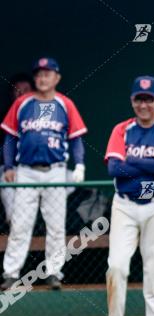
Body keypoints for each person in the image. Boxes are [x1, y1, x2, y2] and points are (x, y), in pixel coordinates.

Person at [1, 58, 87, 291]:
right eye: (39, 74)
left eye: (47, 74)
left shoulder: (65, 104)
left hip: (56, 171)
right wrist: (9, 166)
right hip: (26, 171)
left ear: (57, 78)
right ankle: (10, 273)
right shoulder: (22, 103)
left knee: (56, 225)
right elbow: (10, 138)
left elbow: (76, 138)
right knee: (20, 224)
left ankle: (54, 272)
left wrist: (79, 165)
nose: (42, 78)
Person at [104, 76, 154, 316]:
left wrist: (132, 161)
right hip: (125, 205)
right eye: (139, 99)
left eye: (149, 99)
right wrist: (150, 165)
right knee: (116, 267)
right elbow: (114, 169)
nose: (144, 104)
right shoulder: (121, 129)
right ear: (132, 101)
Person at [1, 73, 35, 227]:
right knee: (6, 180)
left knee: (70, 181)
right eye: (17, 90)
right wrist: (9, 167)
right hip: (12, 170)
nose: (21, 94)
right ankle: (12, 224)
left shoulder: (46, 115)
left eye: (26, 89)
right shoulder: (5, 117)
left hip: (41, 171)